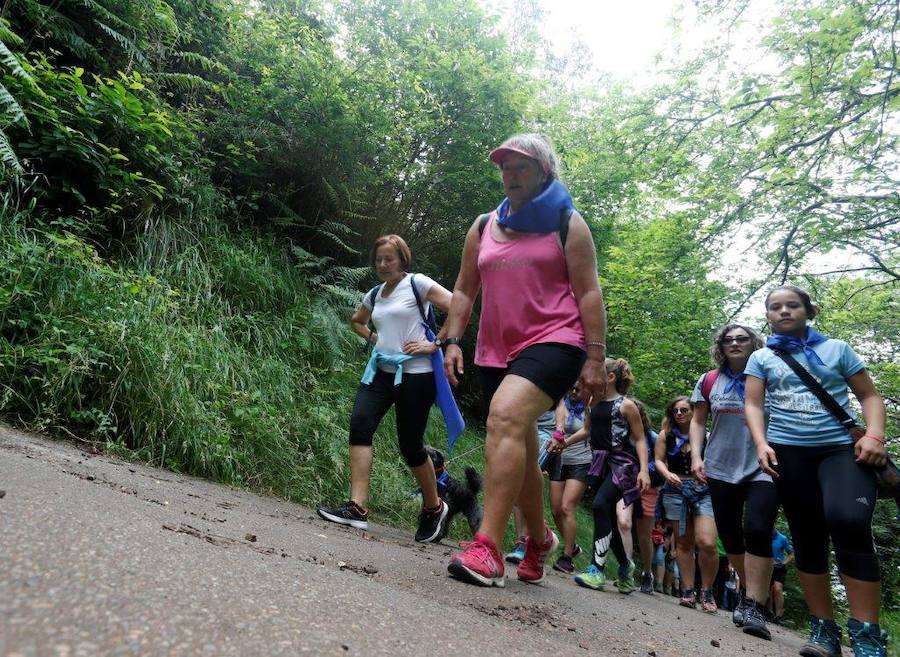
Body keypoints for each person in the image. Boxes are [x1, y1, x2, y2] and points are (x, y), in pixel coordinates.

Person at [444, 133, 607, 588]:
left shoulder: (566, 223)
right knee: (520, 440)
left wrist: (595, 358)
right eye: (506, 168)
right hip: (496, 347)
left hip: (558, 338)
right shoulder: (483, 226)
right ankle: (538, 540)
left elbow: (589, 292)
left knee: (505, 415)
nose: (511, 175)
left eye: (522, 167)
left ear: (544, 172)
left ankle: (488, 547)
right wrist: (452, 339)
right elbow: (463, 288)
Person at [746, 284, 888, 657]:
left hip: (841, 450)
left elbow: (869, 396)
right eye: (775, 307)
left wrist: (874, 435)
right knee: (807, 537)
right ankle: (823, 630)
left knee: (849, 521)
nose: (784, 311)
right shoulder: (760, 357)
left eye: (793, 305)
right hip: (789, 454)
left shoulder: (837, 349)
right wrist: (761, 443)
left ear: (809, 311)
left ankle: (867, 635)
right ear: (768, 316)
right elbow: (754, 405)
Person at [317, 235, 453, 543]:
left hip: (415, 375)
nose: (382, 264)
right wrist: (375, 340)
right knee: (360, 426)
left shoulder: (417, 284)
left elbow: (457, 305)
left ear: (402, 259)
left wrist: (435, 343)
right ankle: (357, 508)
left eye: (389, 259)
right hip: (380, 372)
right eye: (379, 259)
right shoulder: (375, 293)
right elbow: (357, 321)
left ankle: (434, 507)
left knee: (410, 446)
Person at [689, 323, 778, 639]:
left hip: (763, 466)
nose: (736, 343)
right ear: (721, 346)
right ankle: (746, 588)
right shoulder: (710, 380)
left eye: (742, 339)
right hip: (720, 466)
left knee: (757, 528)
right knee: (730, 533)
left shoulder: (770, 377)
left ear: (755, 343)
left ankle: (755, 603)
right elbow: (698, 421)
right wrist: (697, 457)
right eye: (729, 340)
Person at [564, 358, 650, 594]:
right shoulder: (593, 402)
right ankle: (625, 566)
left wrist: (643, 469)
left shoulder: (626, 406)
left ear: (610, 377)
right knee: (608, 520)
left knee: (601, 505)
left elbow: (640, 439)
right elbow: (587, 430)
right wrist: (564, 443)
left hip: (623, 464)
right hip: (600, 463)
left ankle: (596, 569)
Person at [655, 397, 719, 613]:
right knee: (683, 543)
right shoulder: (666, 435)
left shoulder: (707, 436)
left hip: (703, 491)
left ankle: (707, 590)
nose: (680, 414)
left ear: (694, 411)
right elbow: (658, 460)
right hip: (675, 490)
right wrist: (667, 474)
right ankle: (688, 590)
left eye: (684, 410)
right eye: (675, 411)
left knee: (707, 542)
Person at [547, 385, 591, 573]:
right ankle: (572, 547)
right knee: (556, 510)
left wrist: (565, 443)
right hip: (559, 460)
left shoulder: (591, 406)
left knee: (567, 507)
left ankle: (566, 558)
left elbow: (588, 431)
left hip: (581, 461)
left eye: (579, 389)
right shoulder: (560, 404)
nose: (574, 392)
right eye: (572, 388)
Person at [633, 399, 663, 594]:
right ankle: (625, 568)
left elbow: (660, 463)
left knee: (644, 535)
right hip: (625, 485)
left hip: (649, 488)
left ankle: (647, 573)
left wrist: (643, 471)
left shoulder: (652, 437)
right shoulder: (622, 434)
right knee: (623, 525)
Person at [769, 528, 793, 624]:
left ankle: (779, 615)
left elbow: (791, 554)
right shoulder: (764, 535)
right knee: (768, 590)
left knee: (777, 589)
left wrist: (784, 562)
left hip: (779, 567)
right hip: (767, 566)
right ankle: (769, 612)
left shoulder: (782, 538)